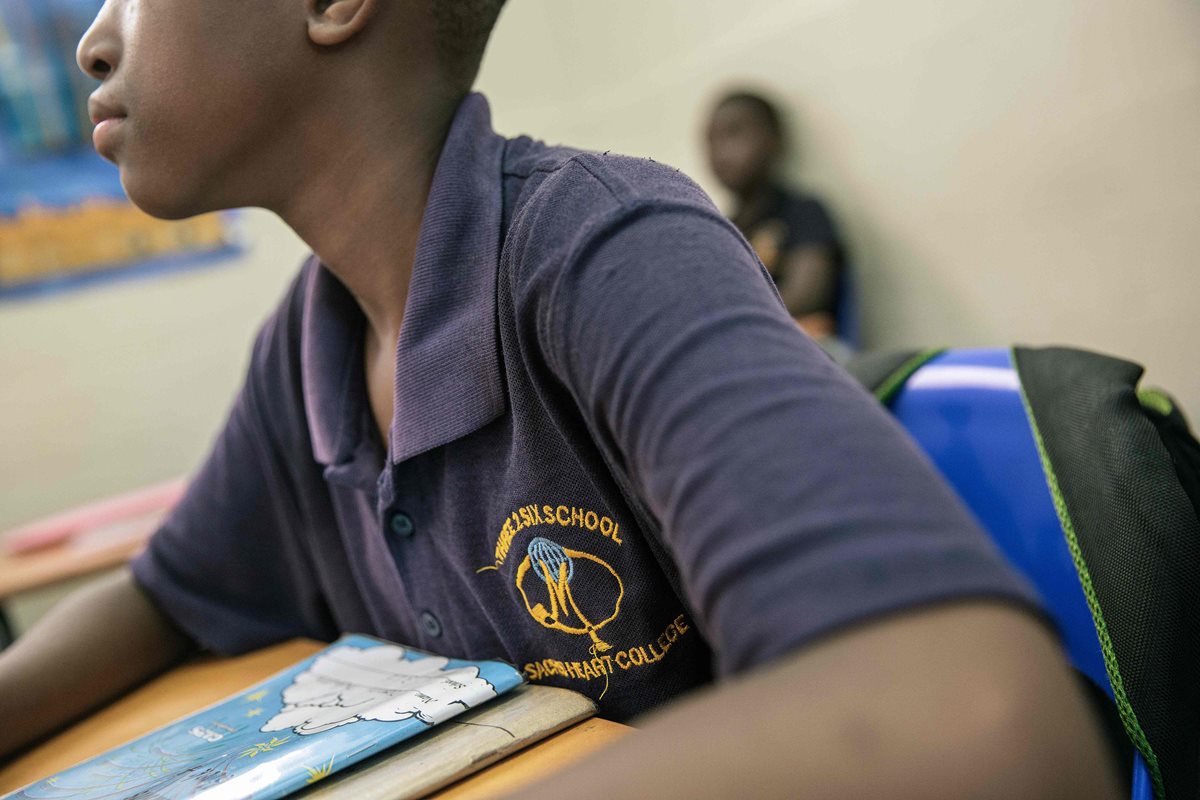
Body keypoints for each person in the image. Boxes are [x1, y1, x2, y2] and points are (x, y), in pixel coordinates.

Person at [0, 2, 1119, 797]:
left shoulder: (605, 249)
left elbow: (977, 718)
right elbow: (173, 596)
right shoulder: (311, 340)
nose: (96, 36)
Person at [706, 89, 851, 358]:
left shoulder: (803, 211)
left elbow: (808, 295)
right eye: (711, 140)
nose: (721, 151)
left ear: (775, 139)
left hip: (808, 350)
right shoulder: (718, 230)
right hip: (748, 349)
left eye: (735, 133)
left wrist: (733, 321)